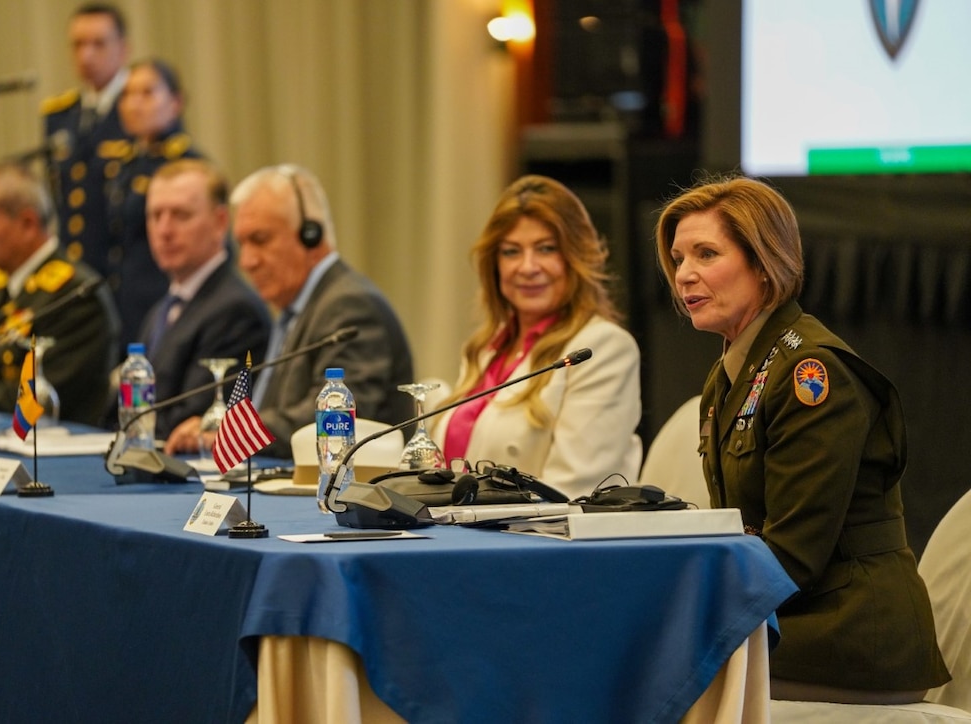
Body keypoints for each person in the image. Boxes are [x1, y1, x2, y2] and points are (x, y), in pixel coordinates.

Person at [654, 175, 950, 703]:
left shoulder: (810, 372)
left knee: (655, 674)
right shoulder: (731, 373)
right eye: (678, 258)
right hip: (792, 619)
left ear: (764, 265)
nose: (685, 275)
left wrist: (679, 601)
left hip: (851, 636)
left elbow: (793, 557)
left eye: (706, 253)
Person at [165, 164, 414, 459]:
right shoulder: (297, 309)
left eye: (260, 240)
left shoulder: (349, 306)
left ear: (311, 235)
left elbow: (333, 419)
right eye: (241, 244)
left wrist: (230, 430)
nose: (246, 262)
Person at [430, 175, 642, 501]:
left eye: (545, 249)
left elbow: (572, 491)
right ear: (495, 265)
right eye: (511, 252)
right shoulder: (486, 348)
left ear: (576, 258)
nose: (527, 267)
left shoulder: (602, 348)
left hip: (544, 543)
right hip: (468, 532)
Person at [0, 161, 120, 426]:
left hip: (54, 450)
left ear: (28, 224)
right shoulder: (1, 284)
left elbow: (34, 398)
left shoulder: (77, 295)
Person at [134, 159, 270, 442]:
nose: (164, 230)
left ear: (220, 222)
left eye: (181, 215)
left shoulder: (235, 309)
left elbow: (192, 418)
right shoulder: (164, 308)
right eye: (155, 215)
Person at [107, 57, 204, 354]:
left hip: (165, 304)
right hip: (124, 311)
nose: (134, 103)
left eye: (147, 93)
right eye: (127, 94)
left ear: (175, 102)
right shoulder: (124, 165)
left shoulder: (187, 167)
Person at [41, 3, 129, 279]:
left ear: (123, 48)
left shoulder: (139, 108)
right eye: (78, 45)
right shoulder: (59, 115)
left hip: (124, 276)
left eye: (98, 44)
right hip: (78, 273)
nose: (86, 55)